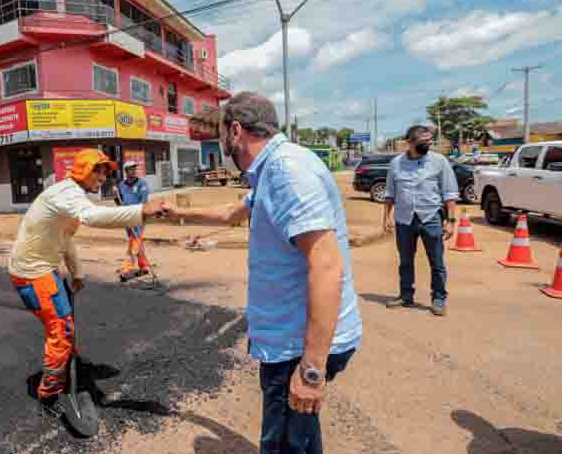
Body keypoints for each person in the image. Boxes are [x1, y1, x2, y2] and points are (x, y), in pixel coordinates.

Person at [167, 92, 362, 454]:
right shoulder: (270, 171)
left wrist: (311, 372)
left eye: (223, 133)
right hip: (290, 336)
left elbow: (326, 266)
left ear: (236, 130)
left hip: (295, 347)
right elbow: (232, 213)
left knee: (282, 444)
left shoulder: (286, 172)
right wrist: (168, 210)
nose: (221, 142)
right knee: (300, 433)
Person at [8, 148, 168, 418]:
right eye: (99, 170)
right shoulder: (67, 194)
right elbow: (93, 218)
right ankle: (48, 394)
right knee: (61, 332)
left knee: (65, 325)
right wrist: (142, 211)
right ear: (83, 169)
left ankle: (70, 364)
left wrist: (77, 273)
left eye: (106, 171)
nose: (103, 177)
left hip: (46, 269)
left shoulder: (72, 195)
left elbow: (66, 237)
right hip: (33, 274)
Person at [383, 125, 459, 316]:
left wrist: (450, 221)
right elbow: (390, 193)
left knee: (437, 261)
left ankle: (439, 299)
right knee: (405, 260)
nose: (429, 144)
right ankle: (406, 295)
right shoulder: (396, 164)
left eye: (429, 140)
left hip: (431, 217)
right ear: (410, 142)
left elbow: (449, 193)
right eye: (424, 141)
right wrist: (386, 218)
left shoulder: (439, 161)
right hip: (404, 219)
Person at [115, 161, 150, 282]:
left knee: (133, 242)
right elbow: (119, 202)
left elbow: (144, 202)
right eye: (131, 169)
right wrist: (116, 195)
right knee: (136, 241)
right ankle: (144, 266)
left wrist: (136, 214)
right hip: (126, 217)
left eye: (135, 168)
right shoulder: (122, 185)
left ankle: (127, 268)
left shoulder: (142, 183)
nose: (134, 170)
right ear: (126, 171)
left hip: (138, 216)